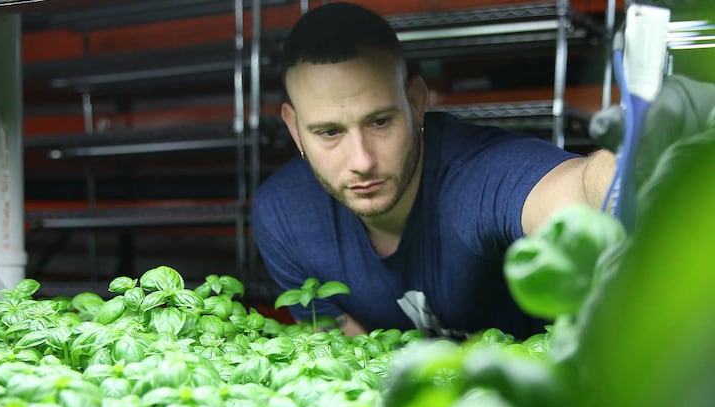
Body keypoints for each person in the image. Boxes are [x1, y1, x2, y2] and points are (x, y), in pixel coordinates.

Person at [251, 2, 616, 340]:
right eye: (329, 132)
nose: (361, 161)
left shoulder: (478, 171)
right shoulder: (282, 216)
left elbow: (574, 194)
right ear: (295, 129)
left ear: (416, 102)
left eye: (380, 122)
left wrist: (625, 171)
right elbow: (346, 365)